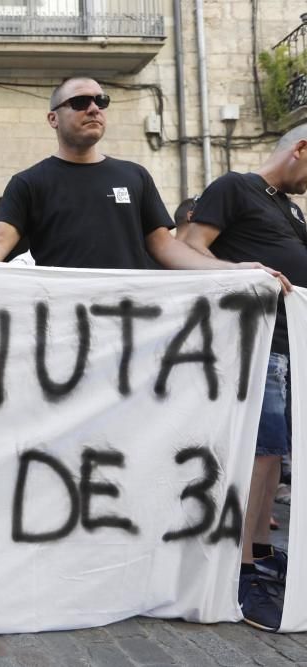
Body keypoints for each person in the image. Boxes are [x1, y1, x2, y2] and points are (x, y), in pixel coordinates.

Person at [0, 77, 286, 282]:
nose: (94, 108)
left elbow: (165, 248)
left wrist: (234, 271)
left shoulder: (134, 176)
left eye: (101, 100)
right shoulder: (29, 182)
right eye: (79, 102)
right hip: (64, 328)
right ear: (52, 118)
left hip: (133, 324)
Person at [182, 125, 307, 632]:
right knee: (258, 454)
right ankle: (240, 570)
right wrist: (244, 273)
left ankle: (258, 551)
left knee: (273, 454)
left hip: (287, 339)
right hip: (254, 342)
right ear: (302, 149)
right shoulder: (234, 187)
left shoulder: (291, 209)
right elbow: (188, 248)